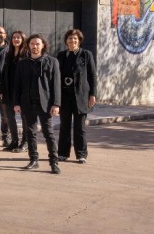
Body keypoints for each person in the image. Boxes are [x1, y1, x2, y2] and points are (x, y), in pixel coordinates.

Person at [14, 34, 61, 174]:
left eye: (37, 44)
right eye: (32, 44)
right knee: (30, 133)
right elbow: (18, 85)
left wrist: (56, 104)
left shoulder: (52, 62)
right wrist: (16, 103)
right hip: (27, 103)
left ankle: (54, 162)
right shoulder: (22, 63)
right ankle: (33, 160)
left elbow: (56, 85)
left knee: (49, 133)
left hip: (45, 104)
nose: (35, 46)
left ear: (43, 45)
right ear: (28, 45)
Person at [57, 29, 97, 164]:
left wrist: (92, 94)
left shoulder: (86, 55)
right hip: (64, 96)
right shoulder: (61, 55)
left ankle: (81, 154)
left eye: (75, 39)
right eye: (69, 38)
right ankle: (62, 153)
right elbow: (56, 77)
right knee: (64, 126)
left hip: (81, 96)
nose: (72, 41)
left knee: (80, 128)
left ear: (79, 40)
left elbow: (92, 76)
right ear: (66, 41)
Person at [1, 30, 28, 152]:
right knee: (10, 117)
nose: (16, 40)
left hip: (22, 92)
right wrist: (2, 90)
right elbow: (4, 73)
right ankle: (14, 141)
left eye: (18, 37)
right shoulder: (8, 54)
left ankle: (25, 142)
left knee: (24, 118)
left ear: (23, 39)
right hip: (8, 90)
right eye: (14, 37)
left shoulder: (26, 54)